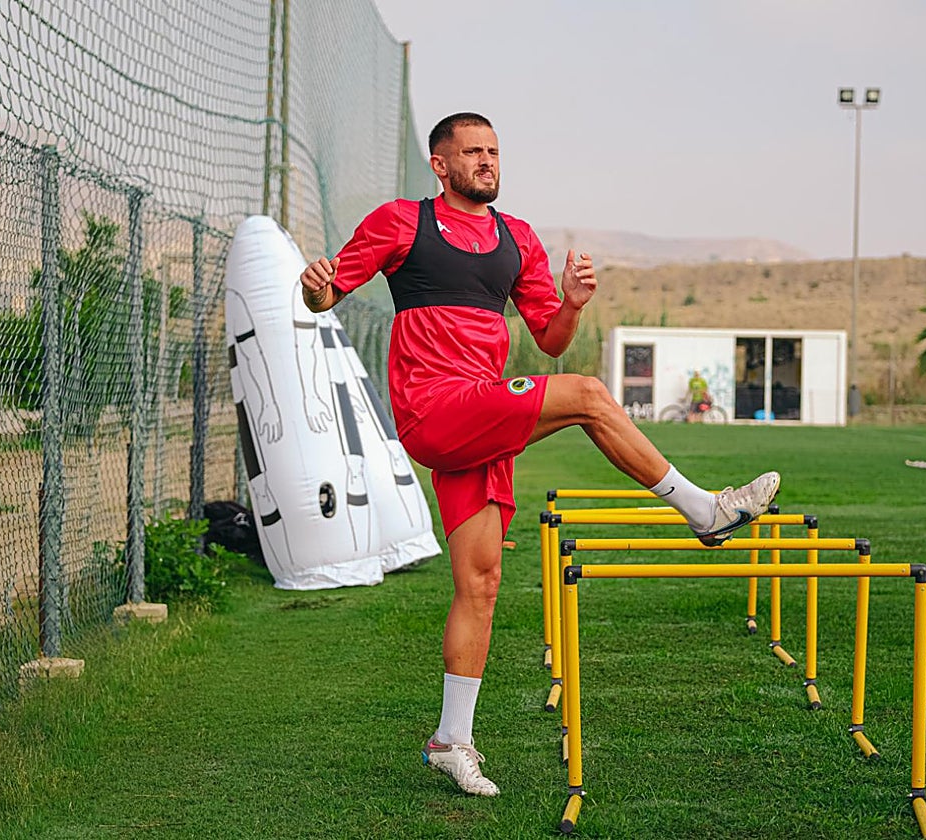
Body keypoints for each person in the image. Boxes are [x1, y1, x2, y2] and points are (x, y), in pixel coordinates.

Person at [299, 112, 780, 797]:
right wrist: (312, 283)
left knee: (483, 582)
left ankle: (450, 740)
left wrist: (576, 303)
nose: (487, 162)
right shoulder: (402, 221)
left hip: (483, 410)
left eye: (494, 151)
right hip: (434, 409)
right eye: (473, 153)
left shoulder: (517, 238)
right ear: (441, 164)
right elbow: (324, 294)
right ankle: (705, 510)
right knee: (586, 394)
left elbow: (550, 340)